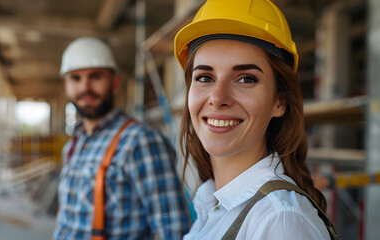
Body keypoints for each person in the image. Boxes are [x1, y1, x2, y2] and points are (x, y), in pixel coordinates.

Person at [174, 0, 338, 239]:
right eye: (205, 77)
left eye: (246, 79)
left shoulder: (279, 221)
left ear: (279, 102)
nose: (218, 98)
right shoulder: (210, 202)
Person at [53, 37, 191, 240]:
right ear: (66, 86)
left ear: (115, 82)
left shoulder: (141, 141)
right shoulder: (74, 144)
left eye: (96, 76)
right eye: (76, 78)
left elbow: (172, 224)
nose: (85, 87)